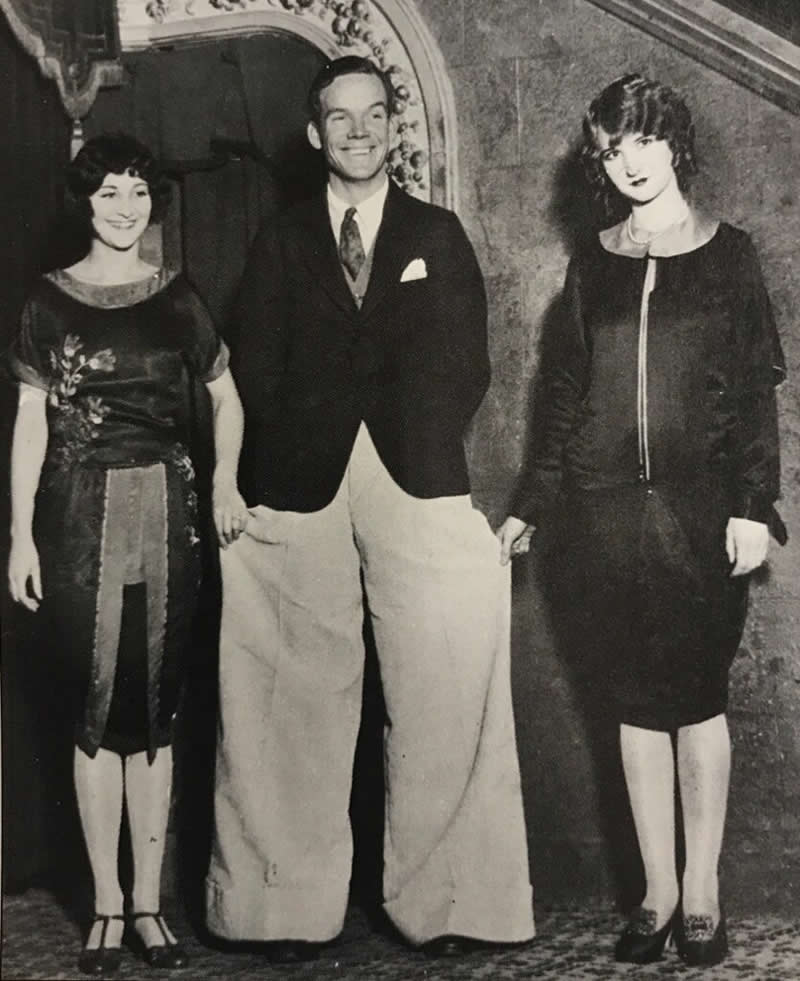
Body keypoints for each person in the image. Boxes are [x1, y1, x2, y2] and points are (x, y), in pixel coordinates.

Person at [205, 55, 535, 963]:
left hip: (416, 474)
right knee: (286, 694)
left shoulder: (439, 230)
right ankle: (282, 909)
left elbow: (469, 363)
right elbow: (252, 363)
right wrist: (301, 441)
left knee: (441, 679)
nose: (357, 132)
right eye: (337, 119)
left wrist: (402, 431)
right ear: (314, 135)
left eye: (373, 115)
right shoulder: (281, 240)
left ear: (395, 128)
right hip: (299, 481)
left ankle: (452, 901)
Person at [498, 73, 786, 967]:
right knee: (629, 699)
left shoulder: (730, 256)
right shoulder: (594, 264)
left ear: (675, 143)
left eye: (642, 141)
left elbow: (752, 396)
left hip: (702, 516)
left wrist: (753, 506)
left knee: (694, 700)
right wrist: (534, 506)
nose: (627, 163)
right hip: (604, 515)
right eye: (610, 149)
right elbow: (563, 397)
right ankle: (656, 890)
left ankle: (702, 889)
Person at [7, 132, 248, 977]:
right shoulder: (47, 301)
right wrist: (19, 535)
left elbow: (226, 396)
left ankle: (149, 903)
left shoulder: (178, 296)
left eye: (138, 193)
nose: (124, 206)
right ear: (86, 200)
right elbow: (31, 423)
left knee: (155, 712)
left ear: (153, 204)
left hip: (169, 518)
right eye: (109, 192)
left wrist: (223, 485)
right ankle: (104, 903)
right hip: (75, 521)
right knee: (92, 710)